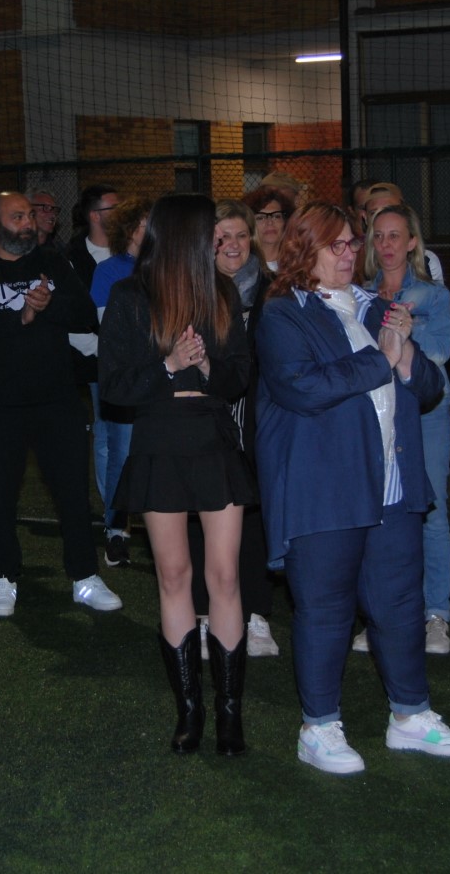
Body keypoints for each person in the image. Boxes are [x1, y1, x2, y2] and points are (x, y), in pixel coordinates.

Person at [256, 203, 450, 775]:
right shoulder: (282, 314)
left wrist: (406, 357)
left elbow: (428, 387)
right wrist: (382, 359)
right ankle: (318, 727)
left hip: (392, 487)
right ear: (304, 250)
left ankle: (410, 715)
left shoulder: (378, 306)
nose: (350, 253)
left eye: (353, 243)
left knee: (400, 606)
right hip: (325, 489)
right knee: (324, 609)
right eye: (336, 245)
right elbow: (303, 388)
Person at [99, 194, 254, 755]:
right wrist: (169, 366)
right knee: (172, 576)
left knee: (225, 578)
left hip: (213, 441)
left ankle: (230, 713)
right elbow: (114, 387)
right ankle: (189, 710)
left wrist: (207, 366)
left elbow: (240, 375)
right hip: (159, 443)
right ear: (186, 236)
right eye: (212, 232)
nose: (221, 240)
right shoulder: (129, 296)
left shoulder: (222, 293)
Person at [0, 191, 122, 617]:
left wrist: (47, 306)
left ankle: (84, 576)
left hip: (56, 400)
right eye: (17, 217)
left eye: (29, 216)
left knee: (72, 493)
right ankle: (2, 577)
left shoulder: (53, 262)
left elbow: (85, 314)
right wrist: (20, 316)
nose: (27, 223)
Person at [358, 204, 450, 656]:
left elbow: (441, 353)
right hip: (379, 412)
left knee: (431, 512)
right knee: (378, 512)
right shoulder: (360, 296)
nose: (386, 245)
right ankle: (382, 615)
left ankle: (436, 614)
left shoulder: (433, 296)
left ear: (413, 241)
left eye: (395, 235)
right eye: (378, 236)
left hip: (425, 412)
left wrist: (407, 334)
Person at [191, 198, 279, 659]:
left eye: (241, 235)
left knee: (254, 514)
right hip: (205, 418)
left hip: (257, 417)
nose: (232, 245)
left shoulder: (272, 290)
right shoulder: (192, 290)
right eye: (221, 236)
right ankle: (204, 614)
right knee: (201, 514)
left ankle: (257, 613)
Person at [87, 195, 151, 566]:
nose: (152, 230)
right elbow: (107, 327)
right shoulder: (109, 271)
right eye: (145, 224)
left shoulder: (164, 267)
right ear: (129, 229)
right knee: (122, 452)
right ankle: (115, 529)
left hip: (162, 376)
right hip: (125, 377)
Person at [66, 183, 121, 539]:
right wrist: (107, 350)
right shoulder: (73, 257)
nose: (121, 214)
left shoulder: (131, 250)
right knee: (106, 433)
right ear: (94, 216)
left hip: (130, 359)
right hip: (96, 359)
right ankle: (113, 510)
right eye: (113, 208)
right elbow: (70, 321)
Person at [352, 181, 445, 285]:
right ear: (365, 217)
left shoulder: (426, 261)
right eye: (374, 213)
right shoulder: (351, 258)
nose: (383, 218)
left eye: (390, 211)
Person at [242, 185, 294, 272]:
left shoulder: (297, 264)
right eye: (260, 217)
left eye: (276, 216)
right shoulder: (239, 266)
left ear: (285, 222)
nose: (270, 222)